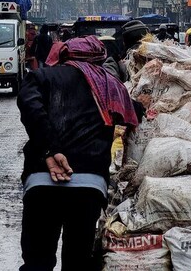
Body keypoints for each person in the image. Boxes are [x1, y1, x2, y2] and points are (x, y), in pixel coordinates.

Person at [16, 35, 141, 271]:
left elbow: (31, 108)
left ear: (64, 55)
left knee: (37, 261)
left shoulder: (41, 77)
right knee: (77, 262)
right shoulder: (110, 86)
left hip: (41, 185)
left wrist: (49, 150)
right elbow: (134, 112)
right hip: (89, 188)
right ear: (99, 58)